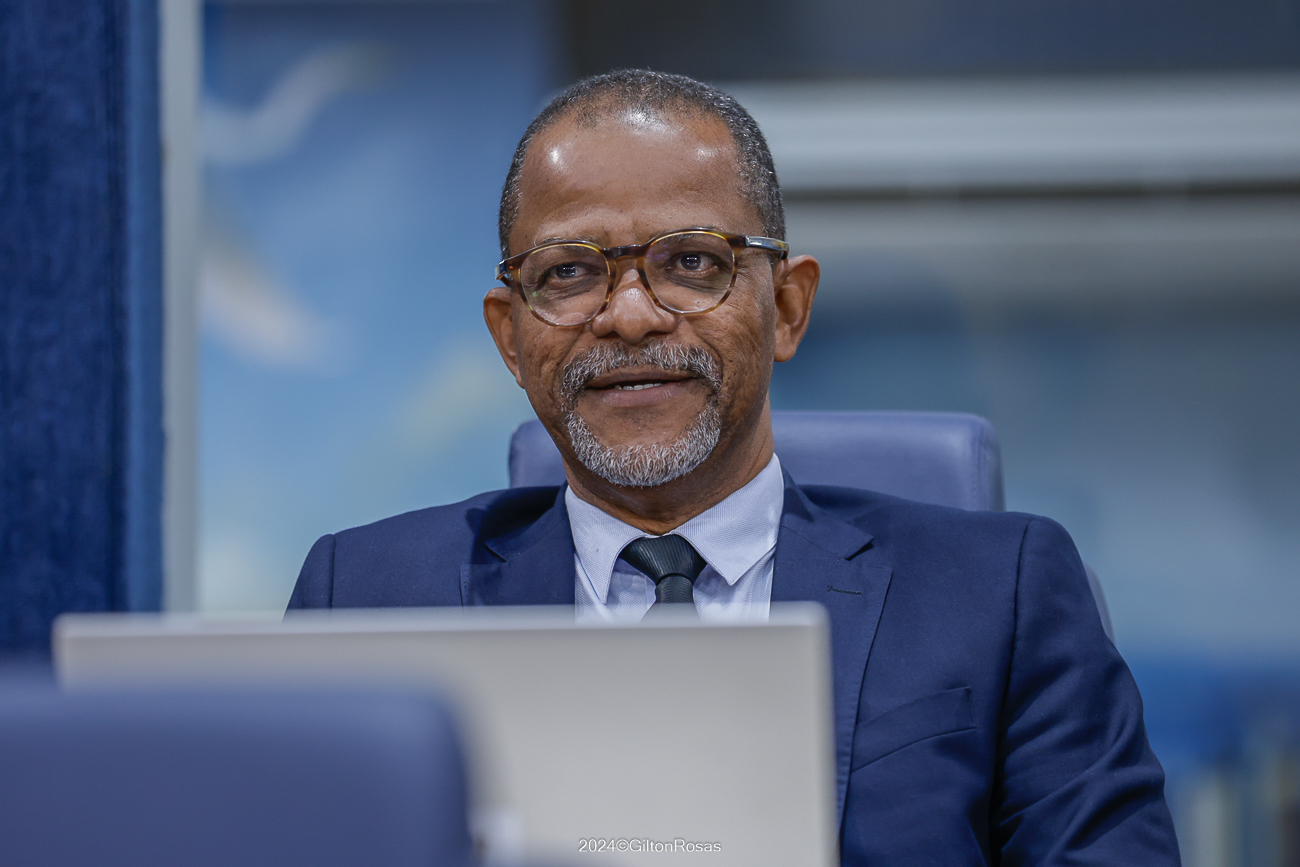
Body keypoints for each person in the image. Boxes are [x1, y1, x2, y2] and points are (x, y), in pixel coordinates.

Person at [289, 69, 1181, 865]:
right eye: (568, 273)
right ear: (510, 338)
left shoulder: (1000, 594)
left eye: (691, 262)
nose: (630, 315)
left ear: (786, 307)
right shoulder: (366, 598)